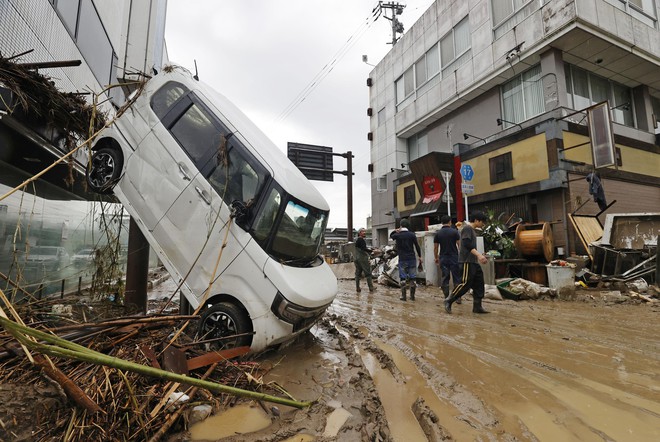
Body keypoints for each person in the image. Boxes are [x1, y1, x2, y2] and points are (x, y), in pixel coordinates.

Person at [444, 211, 490, 314]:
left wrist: (479, 255)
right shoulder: (467, 228)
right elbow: (467, 244)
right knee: (465, 283)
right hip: (466, 261)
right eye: (482, 222)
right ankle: (449, 300)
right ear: (477, 220)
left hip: (473, 261)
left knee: (479, 282)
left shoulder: (472, 230)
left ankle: (477, 306)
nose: (483, 224)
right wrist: (478, 255)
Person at [390, 218, 422, 301]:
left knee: (403, 278)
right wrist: (420, 256)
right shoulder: (412, 235)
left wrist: (395, 230)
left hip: (402, 259)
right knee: (413, 277)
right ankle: (412, 296)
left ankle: (403, 296)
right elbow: (417, 246)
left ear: (401, 226)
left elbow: (391, 236)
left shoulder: (398, 235)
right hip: (412, 258)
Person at [433, 215, 462, 301]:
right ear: (450, 222)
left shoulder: (438, 234)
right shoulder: (454, 232)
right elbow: (459, 245)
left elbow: (435, 248)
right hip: (454, 257)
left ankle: (446, 297)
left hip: (443, 257)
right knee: (456, 277)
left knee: (445, 277)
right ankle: (457, 297)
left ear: (442, 223)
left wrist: (436, 258)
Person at [354, 228, 375, 293]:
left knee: (357, 274)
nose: (364, 233)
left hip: (356, 259)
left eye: (365, 231)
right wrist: (372, 250)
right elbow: (364, 248)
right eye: (363, 231)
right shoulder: (361, 240)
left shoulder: (357, 240)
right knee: (368, 273)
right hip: (362, 259)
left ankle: (357, 288)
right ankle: (371, 288)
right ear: (359, 233)